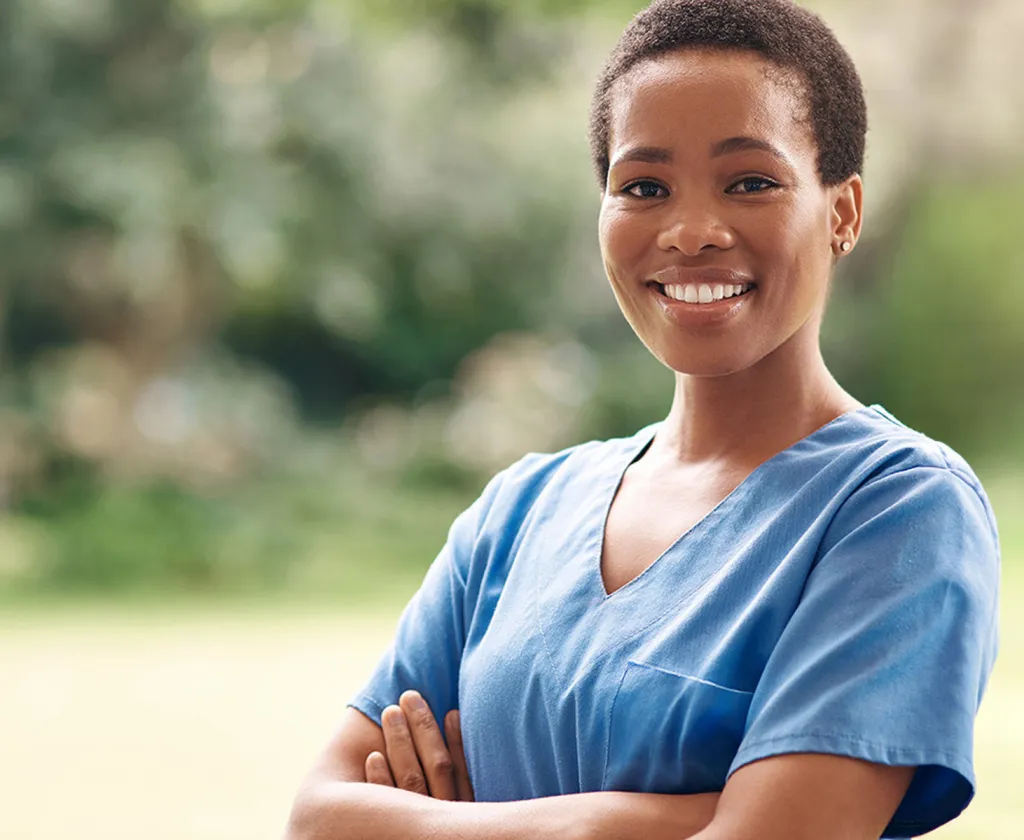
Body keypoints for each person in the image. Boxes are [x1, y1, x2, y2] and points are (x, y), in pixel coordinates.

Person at [283, 0, 1000, 837]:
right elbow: (319, 819)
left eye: (751, 182)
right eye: (644, 187)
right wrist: (665, 818)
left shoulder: (898, 511)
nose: (691, 231)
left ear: (841, 212)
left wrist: (458, 825)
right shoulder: (518, 513)